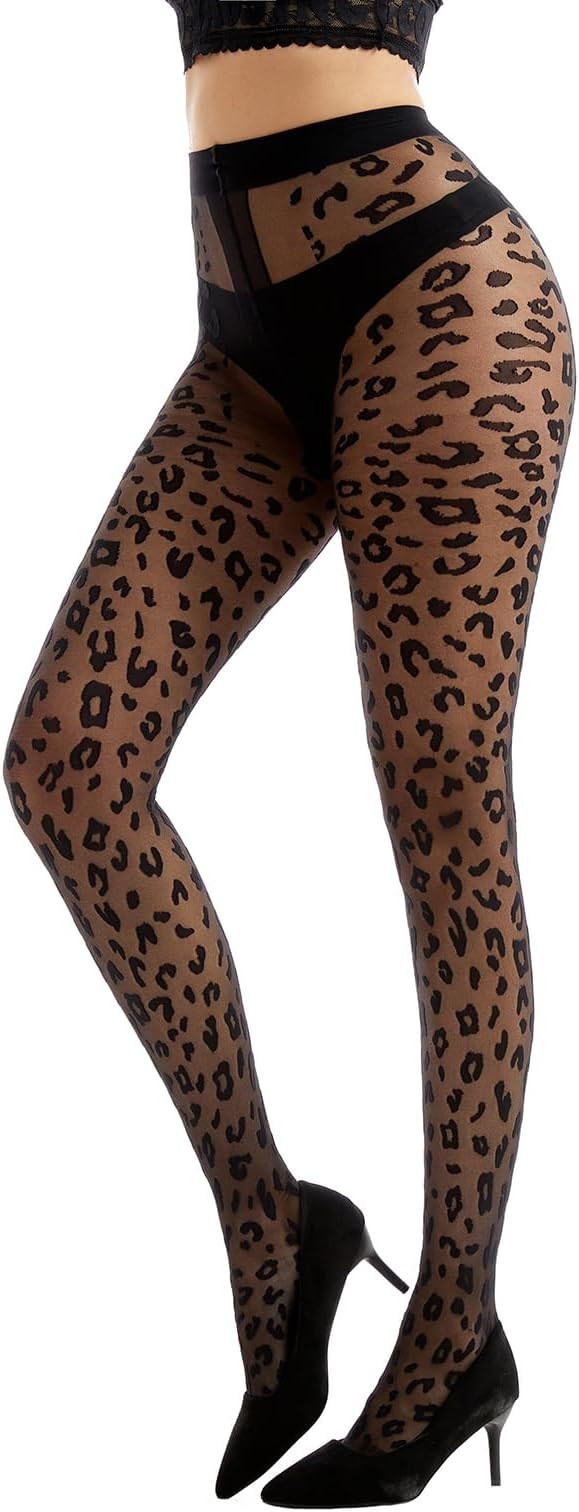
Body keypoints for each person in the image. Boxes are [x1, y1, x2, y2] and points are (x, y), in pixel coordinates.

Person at [3, 3, 576, 1505]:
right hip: (242, 346)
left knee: (446, 800)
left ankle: (456, 1327)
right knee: (67, 764)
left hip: (440, 295)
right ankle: (275, 1222)